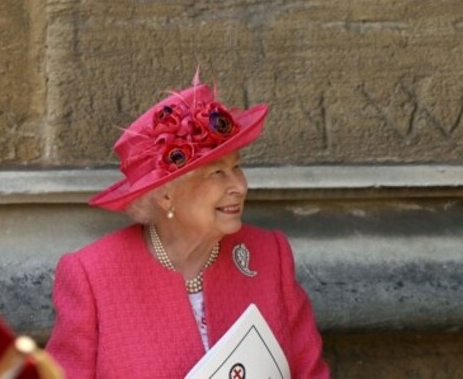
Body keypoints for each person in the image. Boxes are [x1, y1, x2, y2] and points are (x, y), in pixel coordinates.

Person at [46, 70, 330, 378]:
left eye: (237, 167)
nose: (239, 186)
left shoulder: (269, 255)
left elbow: (310, 373)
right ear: (166, 196)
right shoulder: (92, 276)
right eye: (217, 173)